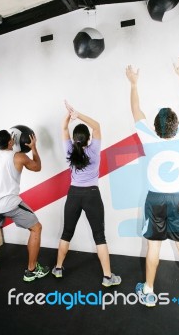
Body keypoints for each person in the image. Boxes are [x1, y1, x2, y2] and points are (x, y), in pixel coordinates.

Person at [126, 56, 179, 312]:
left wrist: (133, 84)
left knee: (153, 247)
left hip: (155, 200)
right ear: (176, 125)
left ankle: (149, 292)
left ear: (155, 127)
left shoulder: (148, 138)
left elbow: (136, 111)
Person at [52, 101, 121, 287]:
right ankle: (108, 277)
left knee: (67, 232)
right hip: (92, 194)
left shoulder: (69, 150)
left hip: (73, 195)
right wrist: (78, 114)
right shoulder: (94, 150)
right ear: (89, 138)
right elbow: (97, 126)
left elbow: (63, 127)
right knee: (100, 236)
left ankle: (58, 268)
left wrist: (68, 115)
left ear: (74, 139)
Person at [0, 129, 49, 282]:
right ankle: (31, 271)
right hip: (10, 204)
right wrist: (33, 147)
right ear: (10, 142)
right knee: (36, 228)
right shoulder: (19, 157)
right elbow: (37, 167)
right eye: (11, 139)